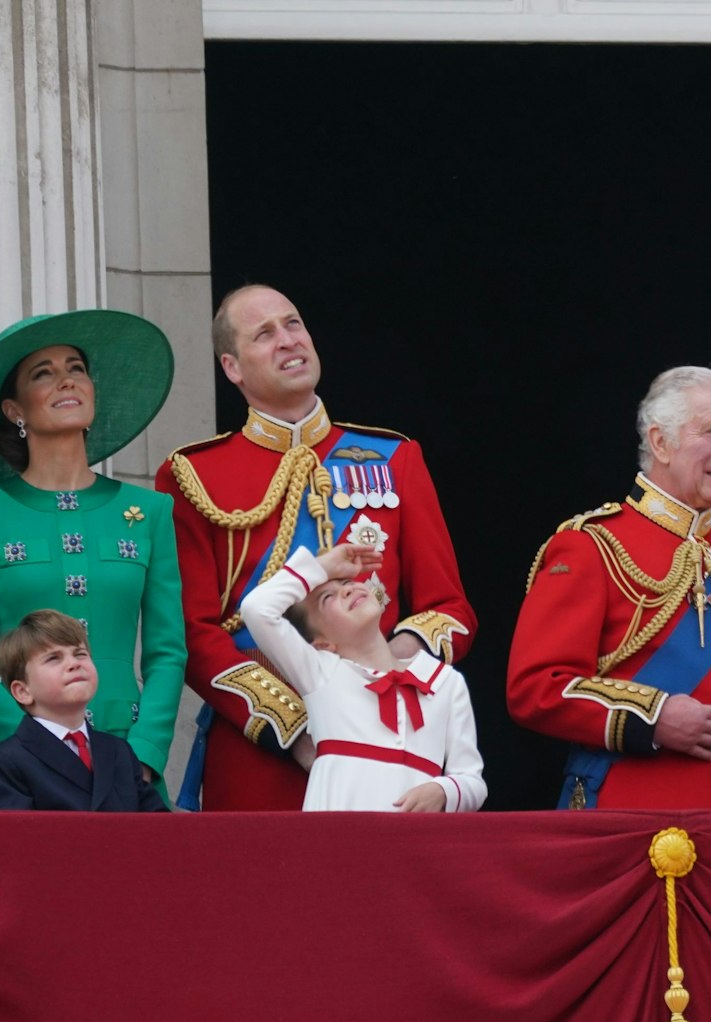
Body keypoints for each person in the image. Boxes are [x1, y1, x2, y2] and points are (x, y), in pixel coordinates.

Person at [156, 285, 477, 811]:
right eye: (265, 334)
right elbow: (192, 633)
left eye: (294, 324)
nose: (288, 341)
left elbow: (450, 609)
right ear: (232, 367)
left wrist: (398, 659)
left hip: (387, 740)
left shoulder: (394, 457)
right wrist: (297, 727)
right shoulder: (192, 475)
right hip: (261, 749)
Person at [508, 366, 711, 810]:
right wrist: (652, 719)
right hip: (630, 819)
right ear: (660, 442)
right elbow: (536, 687)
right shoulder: (592, 546)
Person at [0, 310, 186, 798]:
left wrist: (146, 754)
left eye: (76, 368)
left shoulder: (149, 510)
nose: (66, 380)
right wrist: (31, 753)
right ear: (14, 409)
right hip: (28, 774)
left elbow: (167, 652)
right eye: (43, 373)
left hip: (131, 762)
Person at [241, 542, 485, 812]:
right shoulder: (320, 673)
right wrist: (322, 566)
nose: (347, 588)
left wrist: (444, 790)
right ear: (321, 643)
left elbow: (472, 780)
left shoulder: (446, 682)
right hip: (336, 842)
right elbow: (256, 609)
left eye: (347, 581)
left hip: (414, 845)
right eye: (327, 597)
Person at [0, 610, 169, 812]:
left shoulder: (119, 751)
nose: (74, 663)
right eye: (54, 658)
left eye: (80, 654)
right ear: (23, 691)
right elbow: (16, 840)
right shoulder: (6, 762)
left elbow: (156, 828)